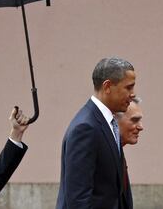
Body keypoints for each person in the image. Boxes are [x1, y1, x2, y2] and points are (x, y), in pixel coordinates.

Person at [56, 57, 136, 209]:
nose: (133, 94)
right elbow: (78, 199)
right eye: (128, 87)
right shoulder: (86, 128)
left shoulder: (107, 122)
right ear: (107, 86)